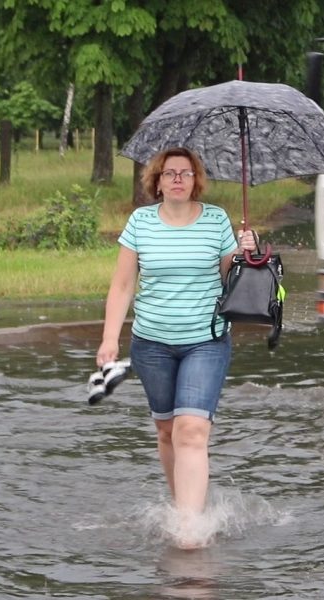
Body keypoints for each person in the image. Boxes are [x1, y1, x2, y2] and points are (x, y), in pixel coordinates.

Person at [96, 147, 257, 549]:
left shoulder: (216, 219)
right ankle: (183, 503)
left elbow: (230, 279)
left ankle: (189, 530)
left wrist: (243, 252)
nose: (179, 180)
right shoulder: (141, 222)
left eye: (186, 173)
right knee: (167, 430)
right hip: (151, 344)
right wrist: (109, 339)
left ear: (196, 180)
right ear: (158, 181)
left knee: (191, 430)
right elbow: (121, 285)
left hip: (206, 340)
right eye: (171, 173)